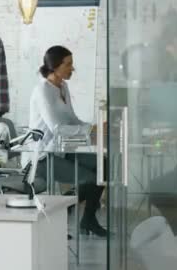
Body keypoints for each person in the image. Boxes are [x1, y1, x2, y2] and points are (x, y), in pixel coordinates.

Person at [27, 45, 107, 237]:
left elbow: (72, 120)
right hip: (44, 155)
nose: (72, 68)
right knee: (88, 179)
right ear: (55, 66)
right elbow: (56, 127)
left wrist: (96, 127)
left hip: (63, 150)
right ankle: (56, 217)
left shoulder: (63, 86)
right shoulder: (42, 90)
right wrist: (92, 130)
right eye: (68, 64)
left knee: (104, 165)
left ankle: (88, 220)